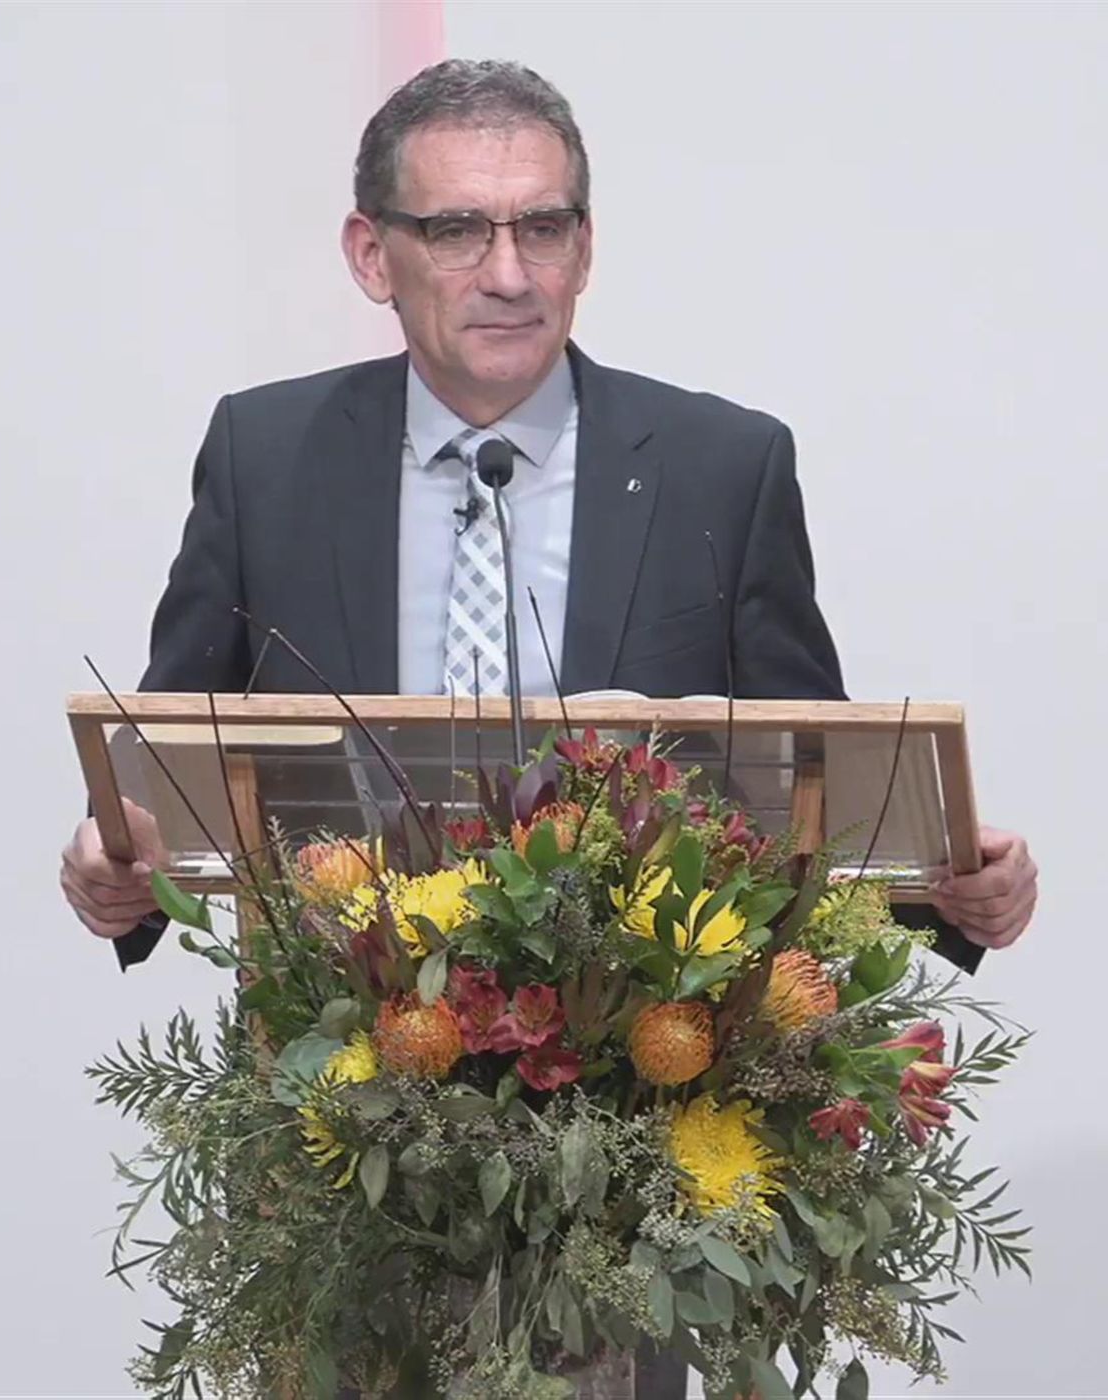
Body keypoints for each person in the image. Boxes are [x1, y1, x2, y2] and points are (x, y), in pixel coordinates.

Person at [60, 57, 1037, 978]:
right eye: (456, 231)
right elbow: (166, 765)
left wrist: (950, 893)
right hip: (345, 1040)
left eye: (541, 228)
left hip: (640, 1050)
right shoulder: (267, 457)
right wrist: (118, 865)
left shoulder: (721, 469)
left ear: (584, 247)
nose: (509, 275)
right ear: (371, 255)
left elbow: (812, 784)